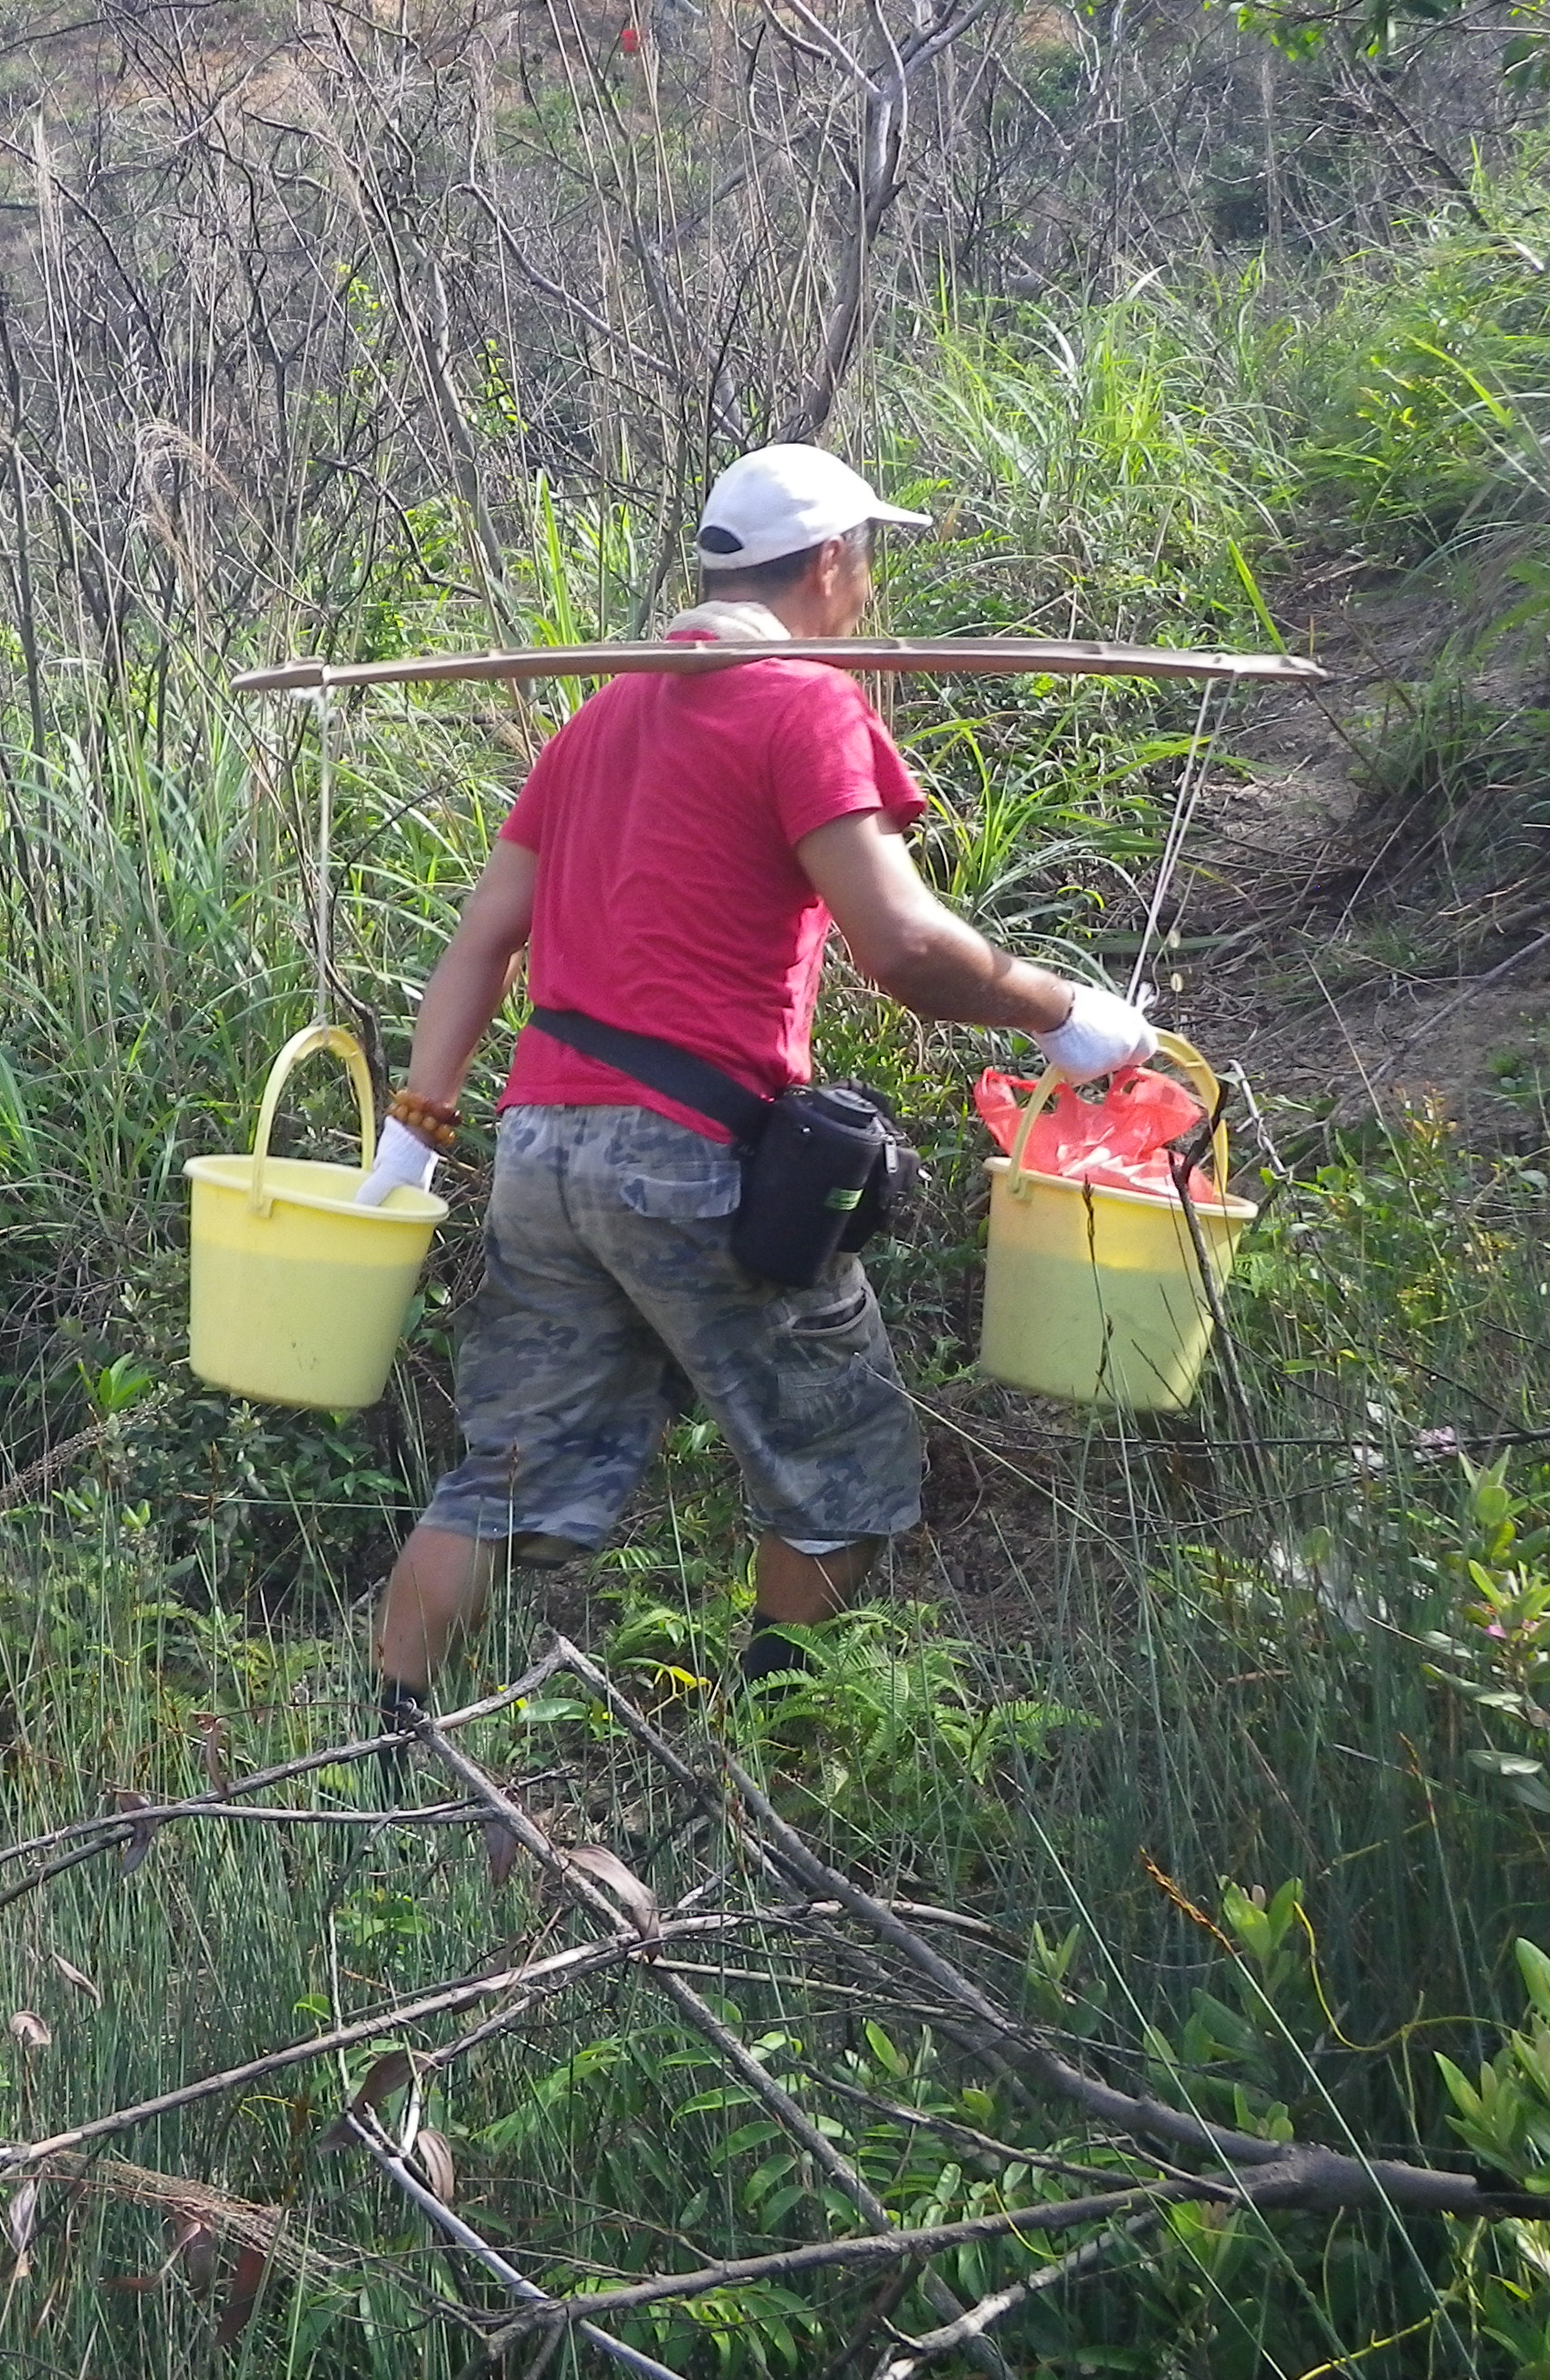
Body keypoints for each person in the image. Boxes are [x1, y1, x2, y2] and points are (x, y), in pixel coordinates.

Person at [356, 445, 1157, 1716]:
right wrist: (1065, 1015)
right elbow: (900, 945)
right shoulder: (805, 702)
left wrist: (413, 1138)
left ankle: (389, 1755)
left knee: (503, 1478)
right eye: (866, 562)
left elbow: (482, 938)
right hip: (689, 1152)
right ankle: (781, 1773)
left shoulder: (600, 714)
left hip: (540, 1152)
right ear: (833, 563)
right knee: (838, 1467)